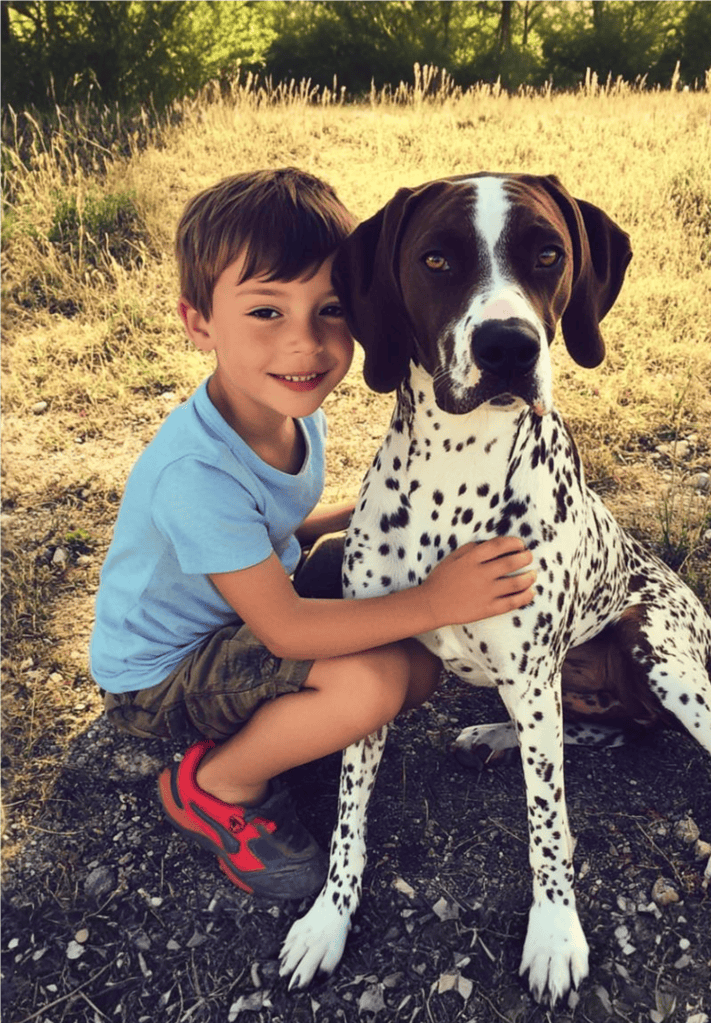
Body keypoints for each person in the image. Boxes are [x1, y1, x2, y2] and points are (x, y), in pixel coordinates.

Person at [89, 168, 536, 900]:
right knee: (383, 676)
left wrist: (362, 522)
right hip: (159, 677)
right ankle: (214, 784)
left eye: (330, 309)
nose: (306, 344)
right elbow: (288, 627)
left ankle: (284, 727)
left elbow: (275, 526)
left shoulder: (288, 409)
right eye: (266, 311)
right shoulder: (194, 471)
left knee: (401, 648)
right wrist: (436, 599)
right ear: (198, 322)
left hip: (238, 609)